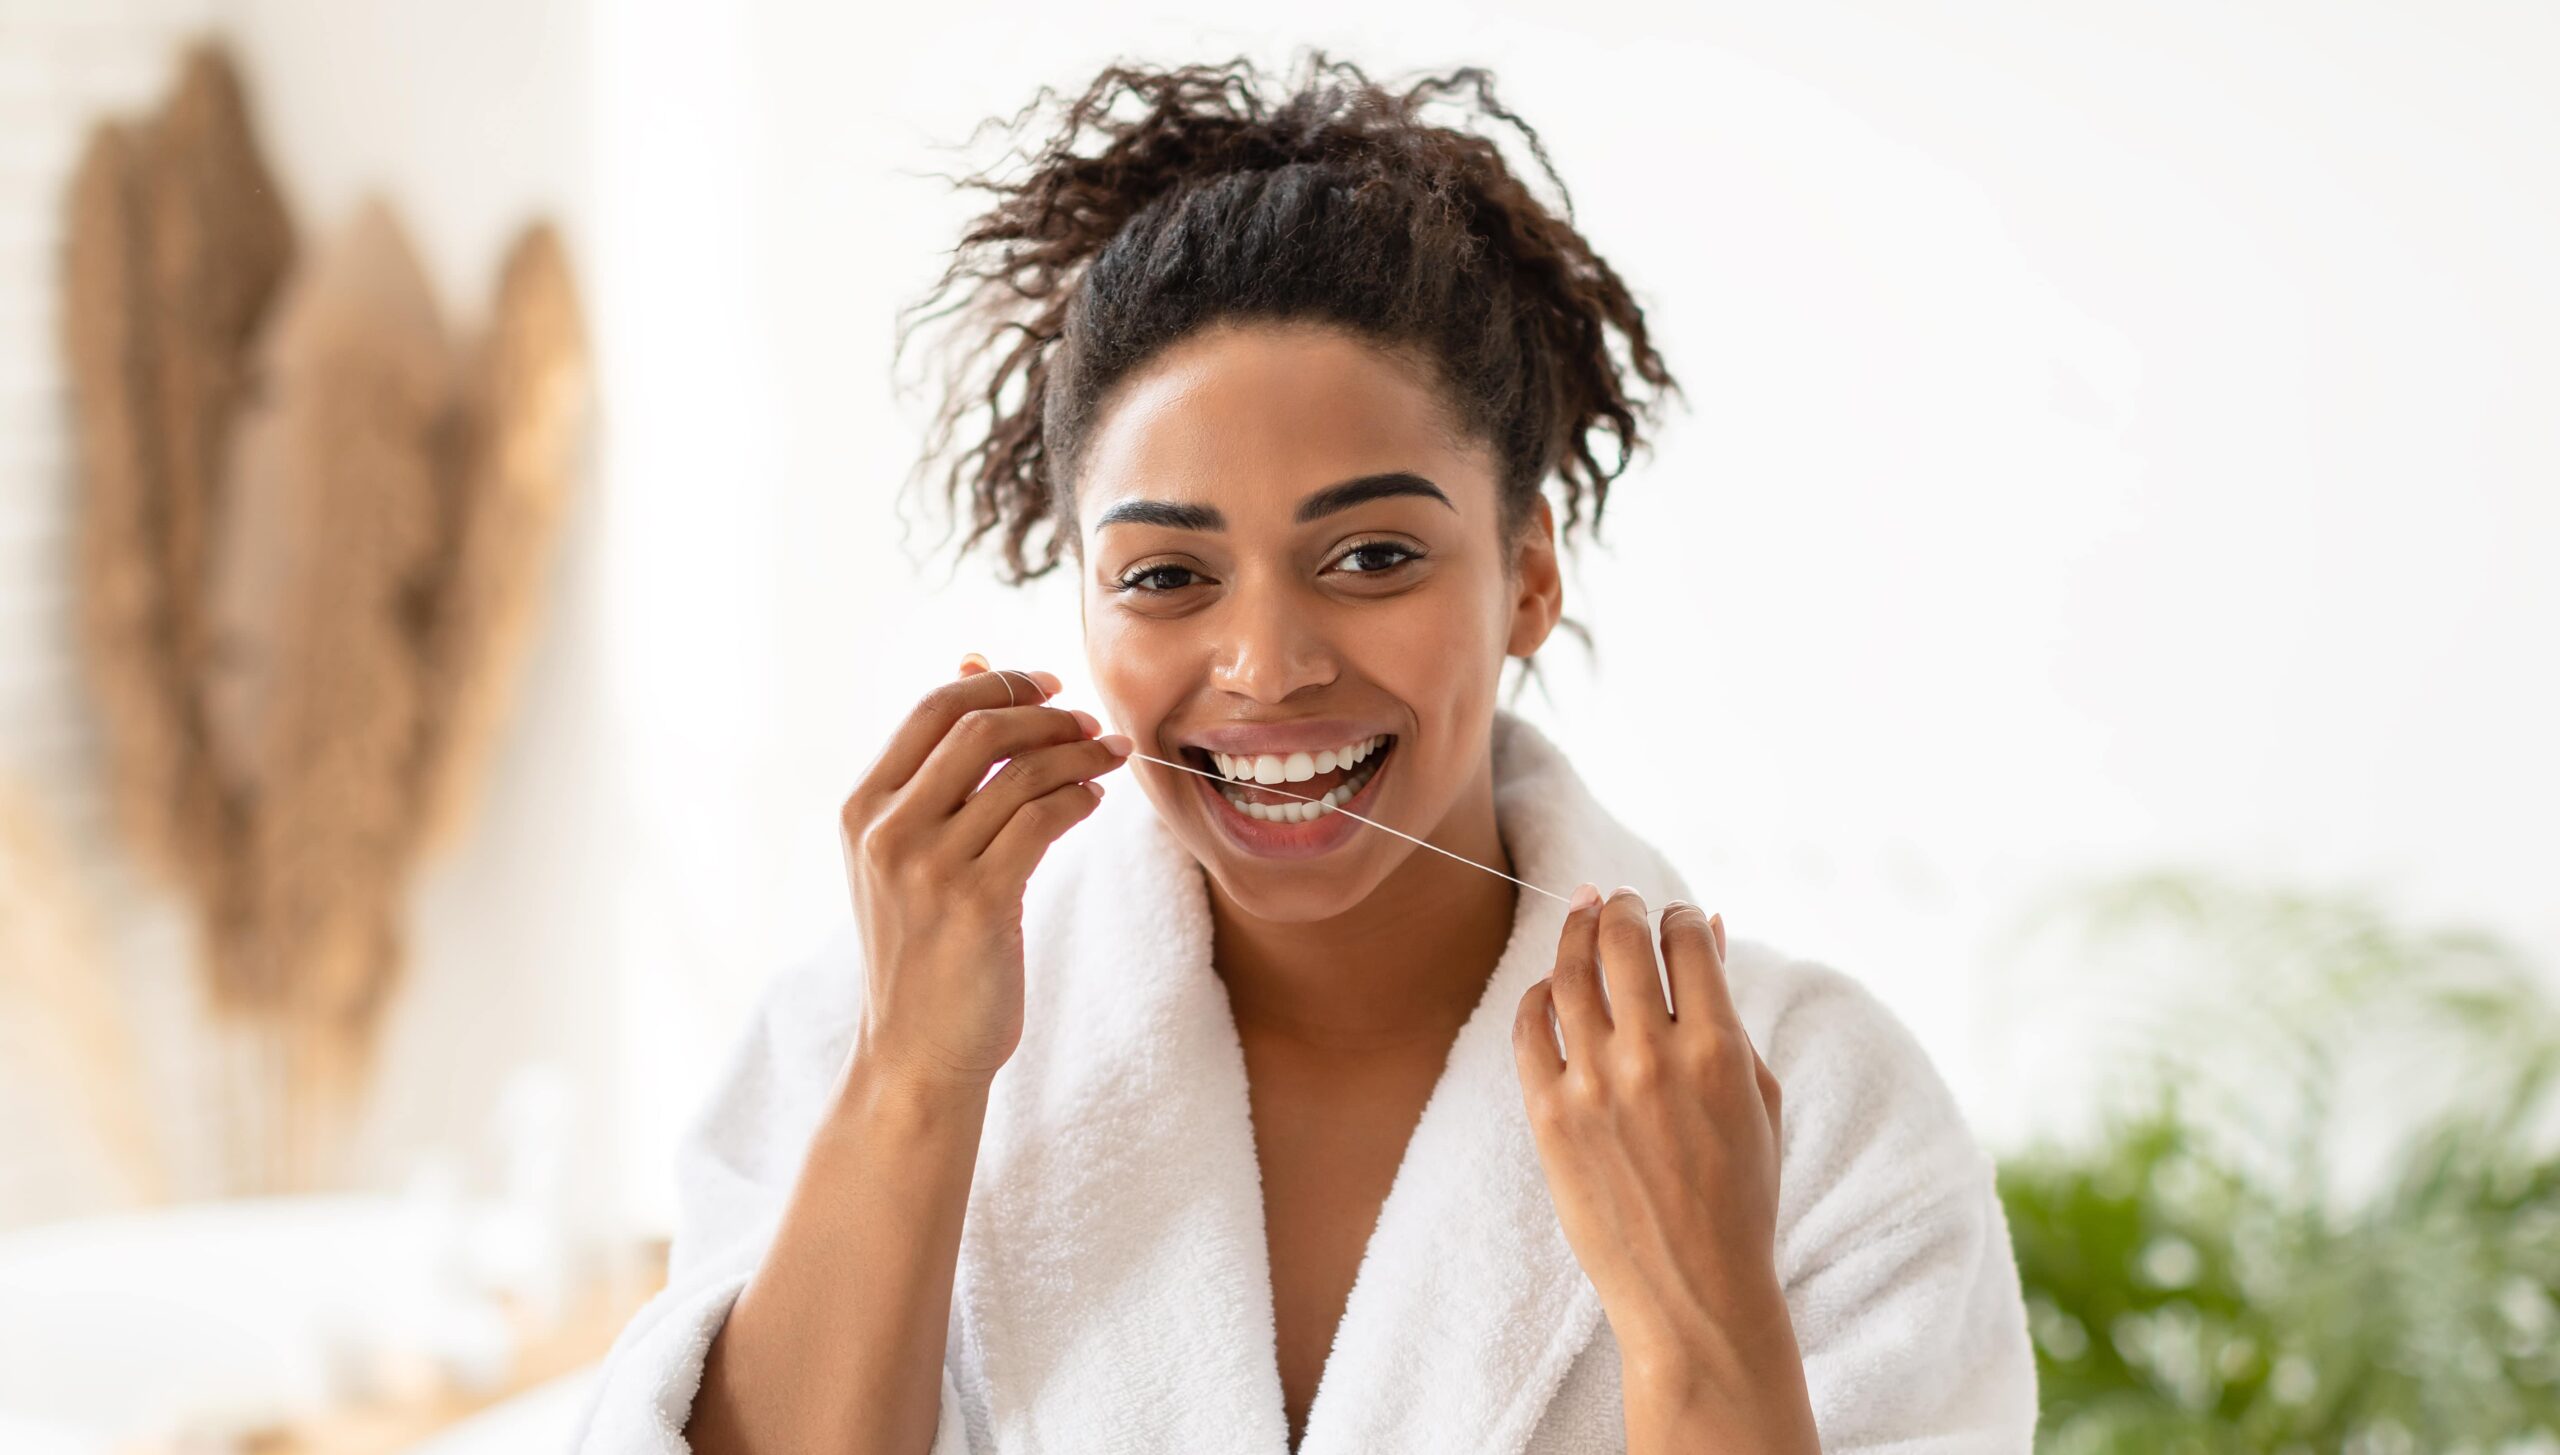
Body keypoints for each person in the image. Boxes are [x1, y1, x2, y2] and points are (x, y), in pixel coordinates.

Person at [570, 50, 2037, 1455]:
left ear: (1528, 573)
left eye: (1374, 553)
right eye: (1164, 577)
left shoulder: (1815, 1106)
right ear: (1079, 595)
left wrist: (1701, 1318)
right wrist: (917, 1081)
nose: (1266, 666)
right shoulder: (865, 1036)